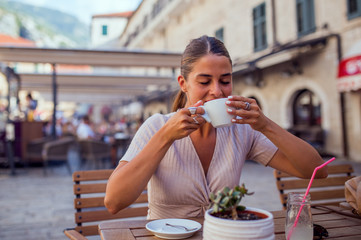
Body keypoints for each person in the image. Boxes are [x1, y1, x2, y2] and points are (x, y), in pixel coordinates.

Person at [104, 35, 327, 219]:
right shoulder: (157, 126)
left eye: (225, 80)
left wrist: (266, 125)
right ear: (183, 84)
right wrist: (165, 138)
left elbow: (316, 171)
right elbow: (114, 202)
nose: (217, 91)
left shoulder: (241, 130)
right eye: (204, 82)